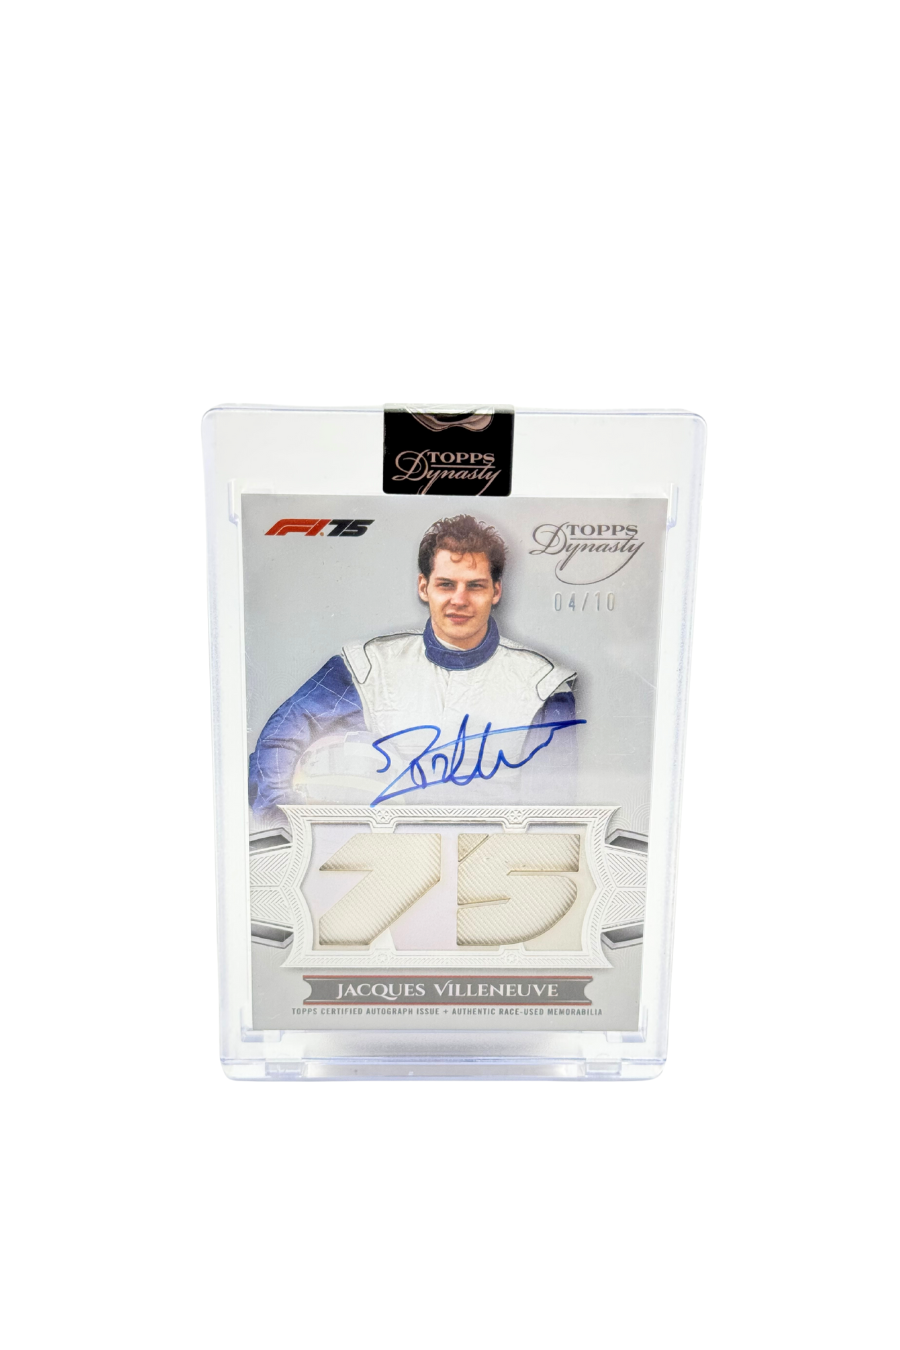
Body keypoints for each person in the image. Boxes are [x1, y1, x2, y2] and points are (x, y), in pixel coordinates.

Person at [249, 514, 581, 816]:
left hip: (492, 857)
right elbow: (280, 737)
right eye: (446, 584)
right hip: (382, 854)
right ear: (424, 587)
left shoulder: (542, 685)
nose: (459, 600)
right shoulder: (369, 667)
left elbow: (551, 811)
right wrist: (284, 821)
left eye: (475, 586)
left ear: (496, 591)